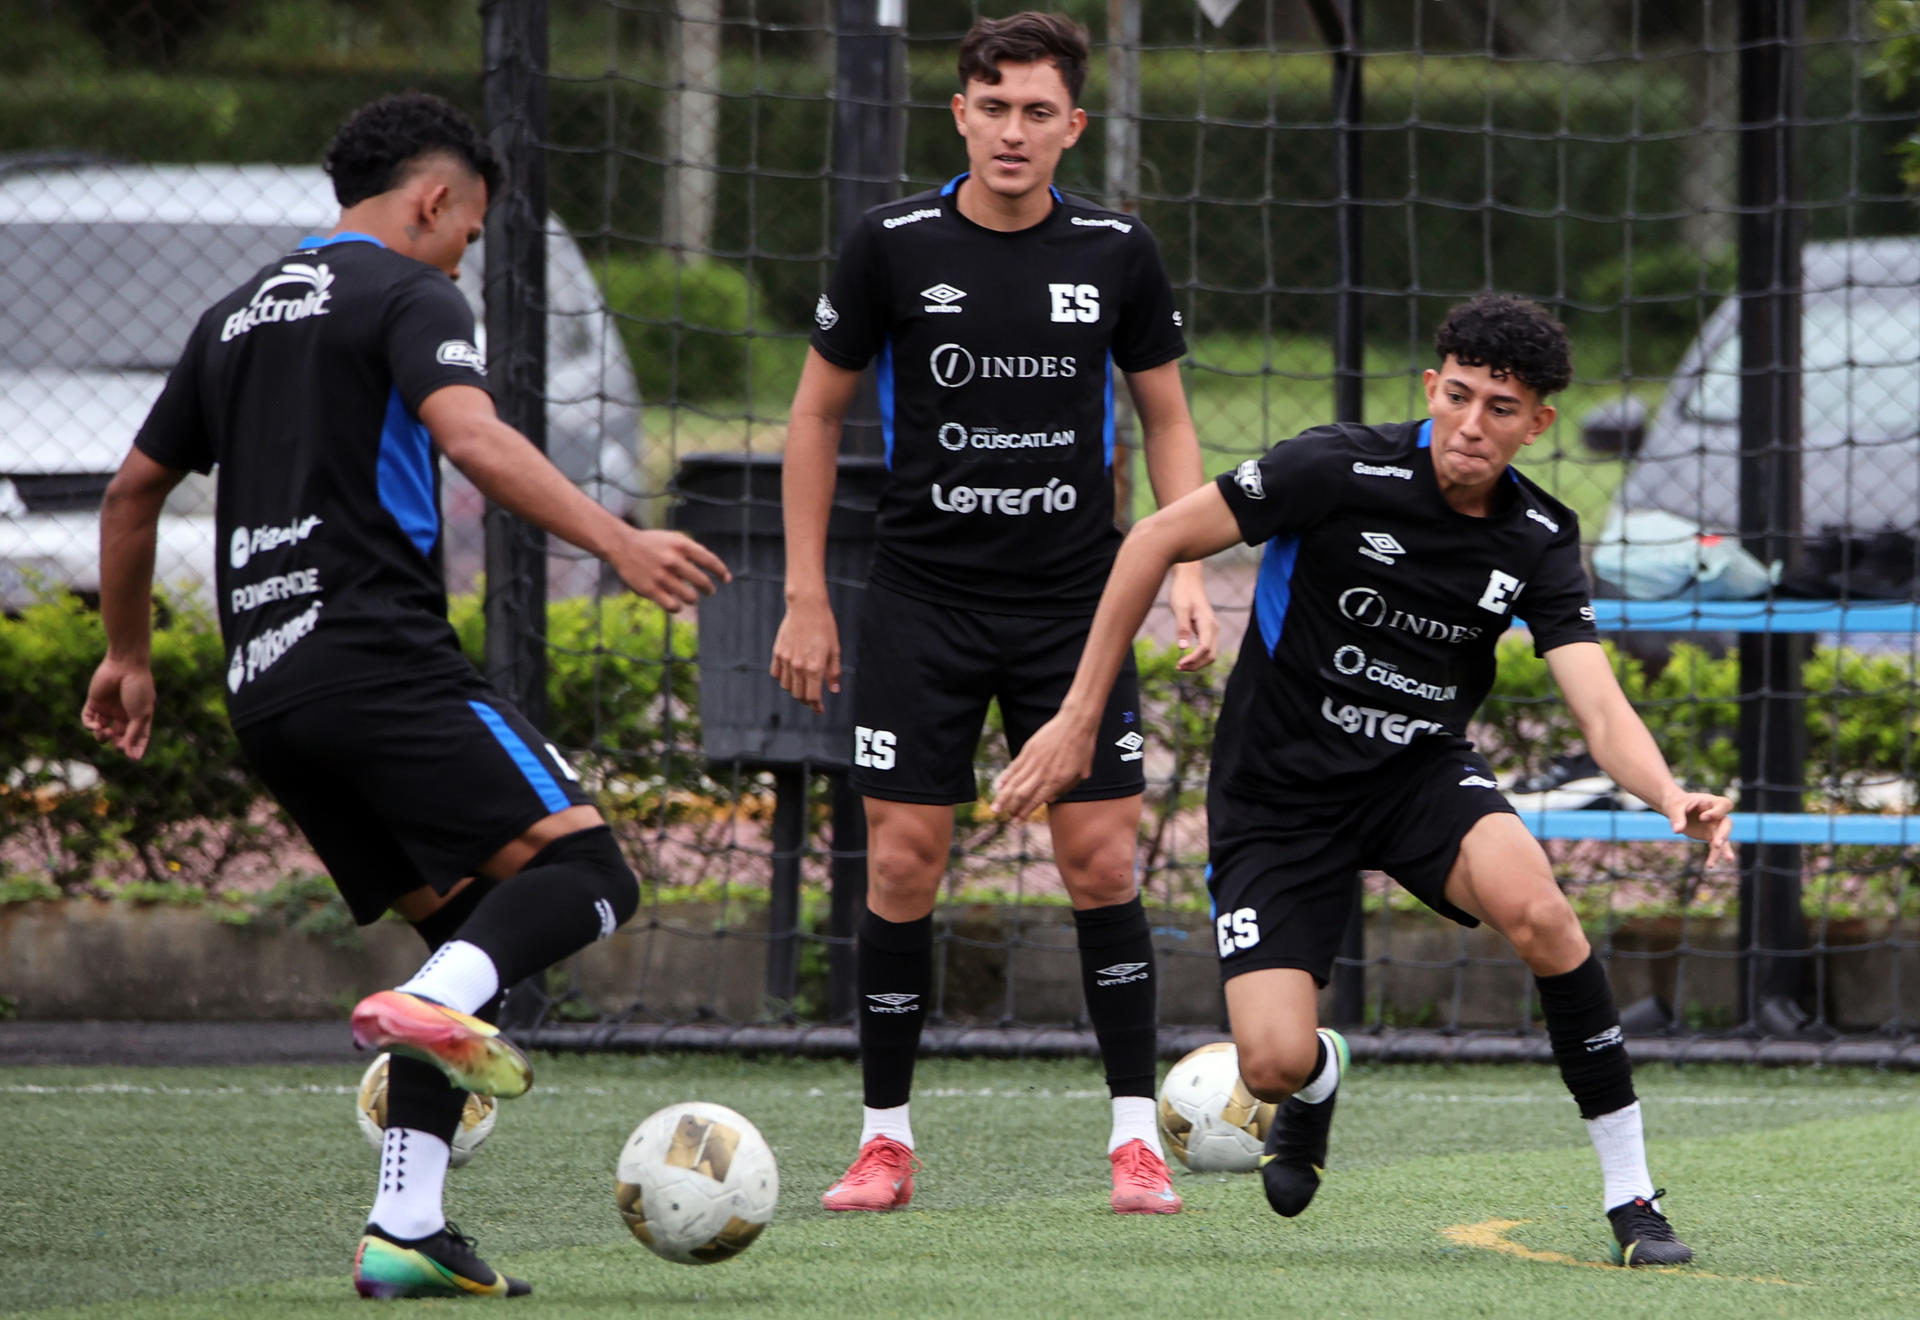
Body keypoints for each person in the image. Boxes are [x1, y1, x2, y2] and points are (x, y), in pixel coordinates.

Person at [81, 92, 729, 1299]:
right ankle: (426, 1013)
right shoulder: (408, 291)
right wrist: (620, 542)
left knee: (468, 940)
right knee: (589, 875)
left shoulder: (233, 317)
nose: (466, 255)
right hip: (377, 657)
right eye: (471, 233)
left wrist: (125, 655)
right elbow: (476, 440)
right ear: (434, 200)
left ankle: (406, 1229)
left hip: (267, 689)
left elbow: (130, 495)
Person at [993, 294, 1733, 1266]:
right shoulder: (1330, 468)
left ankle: (1633, 1201)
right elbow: (1149, 540)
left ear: (1539, 422)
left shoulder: (1538, 538)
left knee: (1546, 916)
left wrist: (1670, 793)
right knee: (1270, 1058)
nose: (1473, 424)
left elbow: (1597, 710)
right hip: (1276, 798)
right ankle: (1318, 1078)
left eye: (1501, 408)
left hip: (1417, 774)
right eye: (1459, 396)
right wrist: (1079, 717)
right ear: (1431, 387)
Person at [770, 11, 1219, 1215]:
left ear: (1073, 125)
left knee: (1099, 858)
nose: (1013, 131)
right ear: (958, 113)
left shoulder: (1119, 251)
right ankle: (884, 1142)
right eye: (992, 105)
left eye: (1038, 112)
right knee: (904, 863)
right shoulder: (889, 245)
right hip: (920, 598)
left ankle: (1136, 1140)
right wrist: (807, 593)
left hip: (1077, 601)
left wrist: (1181, 566)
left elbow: (1168, 419)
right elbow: (814, 419)